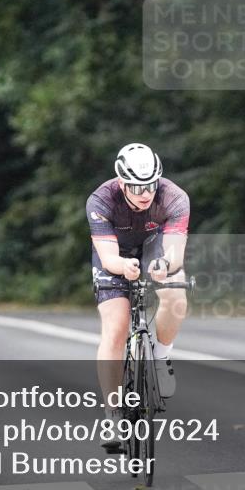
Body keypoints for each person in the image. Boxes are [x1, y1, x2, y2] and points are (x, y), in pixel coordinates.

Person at [86, 143, 189, 451]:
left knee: (176, 292)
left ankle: (161, 355)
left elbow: (175, 253)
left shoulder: (175, 197)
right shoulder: (101, 199)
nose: (145, 193)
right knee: (116, 328)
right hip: (116, 255)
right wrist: (123, 267)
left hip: (156, 248)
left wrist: (164, 266)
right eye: (136, 186)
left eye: (151, 184)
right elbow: (107, 257)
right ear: (121, 182)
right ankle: (112, 413)